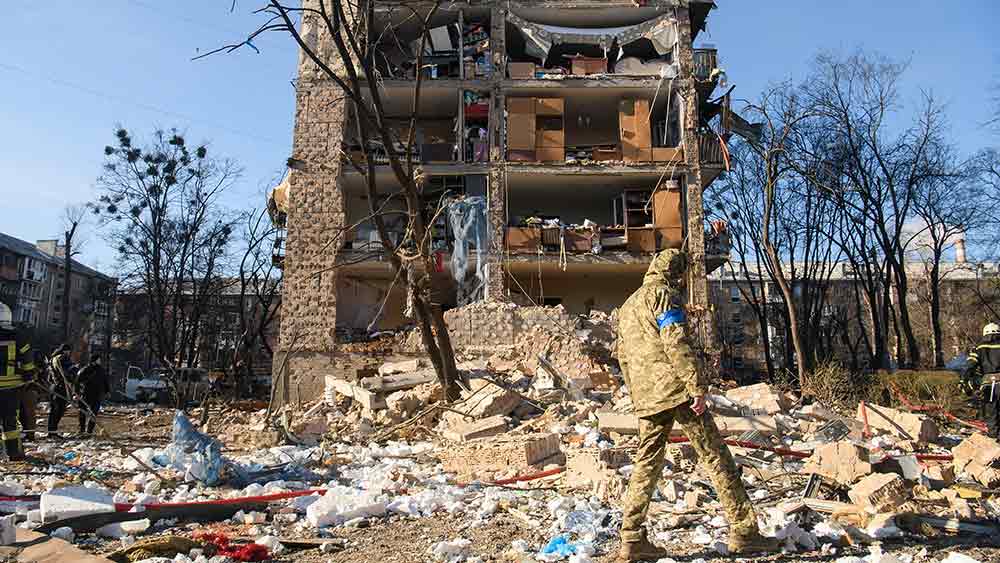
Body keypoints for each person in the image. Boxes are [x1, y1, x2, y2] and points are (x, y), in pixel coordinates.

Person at [615, 249, 777, 561]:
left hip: (647, 396)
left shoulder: (628, 305)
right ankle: (744, 532)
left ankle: (632, 538)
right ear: (675, 273)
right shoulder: (664, 296)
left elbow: (622, 357)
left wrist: (637, 394)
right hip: (677, 390)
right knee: (715, 455)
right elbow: (675, 341)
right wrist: (695, 385)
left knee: (646, 462)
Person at [0, 303, 36, 460]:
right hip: (11, 388)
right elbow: (28, 359)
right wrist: (28, 376)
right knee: (10, 422)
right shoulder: (17, 336)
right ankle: (13, 453)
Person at [962, 323, 1000, 438]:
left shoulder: (979, 347)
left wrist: (964, 381)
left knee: (991, 413)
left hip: (989, 385)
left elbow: (969, 366)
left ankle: (994, 439)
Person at [76, 355, 109, 435]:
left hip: (97, 394)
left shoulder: (101, 370)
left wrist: (107, 391)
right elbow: (77, 382)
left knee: (94, 413)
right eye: (98, 360)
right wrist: (76, 393)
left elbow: (105, 381)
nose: (100, 361)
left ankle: (89, 431)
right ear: (94, 360)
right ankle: (82, 429)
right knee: (82, 412)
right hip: (85, 394)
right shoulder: (85, 370)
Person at [47, 344, 74, 437]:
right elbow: (67, 373)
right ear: (66, 350)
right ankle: (52, 432)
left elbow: (49, 377)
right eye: (69, 351)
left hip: (53, 387)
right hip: (60, 387)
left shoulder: (53, 359)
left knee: (54, 411)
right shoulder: (62, 358)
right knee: (59, 410)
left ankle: (51, 432)